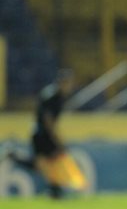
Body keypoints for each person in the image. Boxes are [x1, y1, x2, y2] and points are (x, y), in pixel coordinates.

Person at [8, 69, 86, 198]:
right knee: (49, 161)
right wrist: (56, 137)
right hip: (42, 135)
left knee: (45, 163)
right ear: (62, 82)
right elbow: (48, 120)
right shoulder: (52, 96)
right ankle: (55, 188)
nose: (70, 86)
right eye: (68, 83)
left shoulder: (56, 96)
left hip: (42, 133)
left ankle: (54, 188)